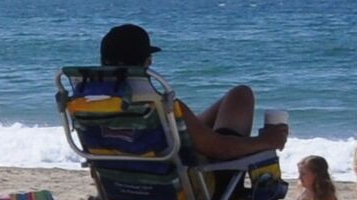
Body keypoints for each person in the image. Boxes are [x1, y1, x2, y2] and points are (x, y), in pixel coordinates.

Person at [98, 22, 288, 162]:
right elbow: (221, 150)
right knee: (242, 95)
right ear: (147, 62)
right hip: (185, 185)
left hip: (119, 181)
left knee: (237, 95)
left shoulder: (90, 105)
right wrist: (266, 141)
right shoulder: (158, 107)